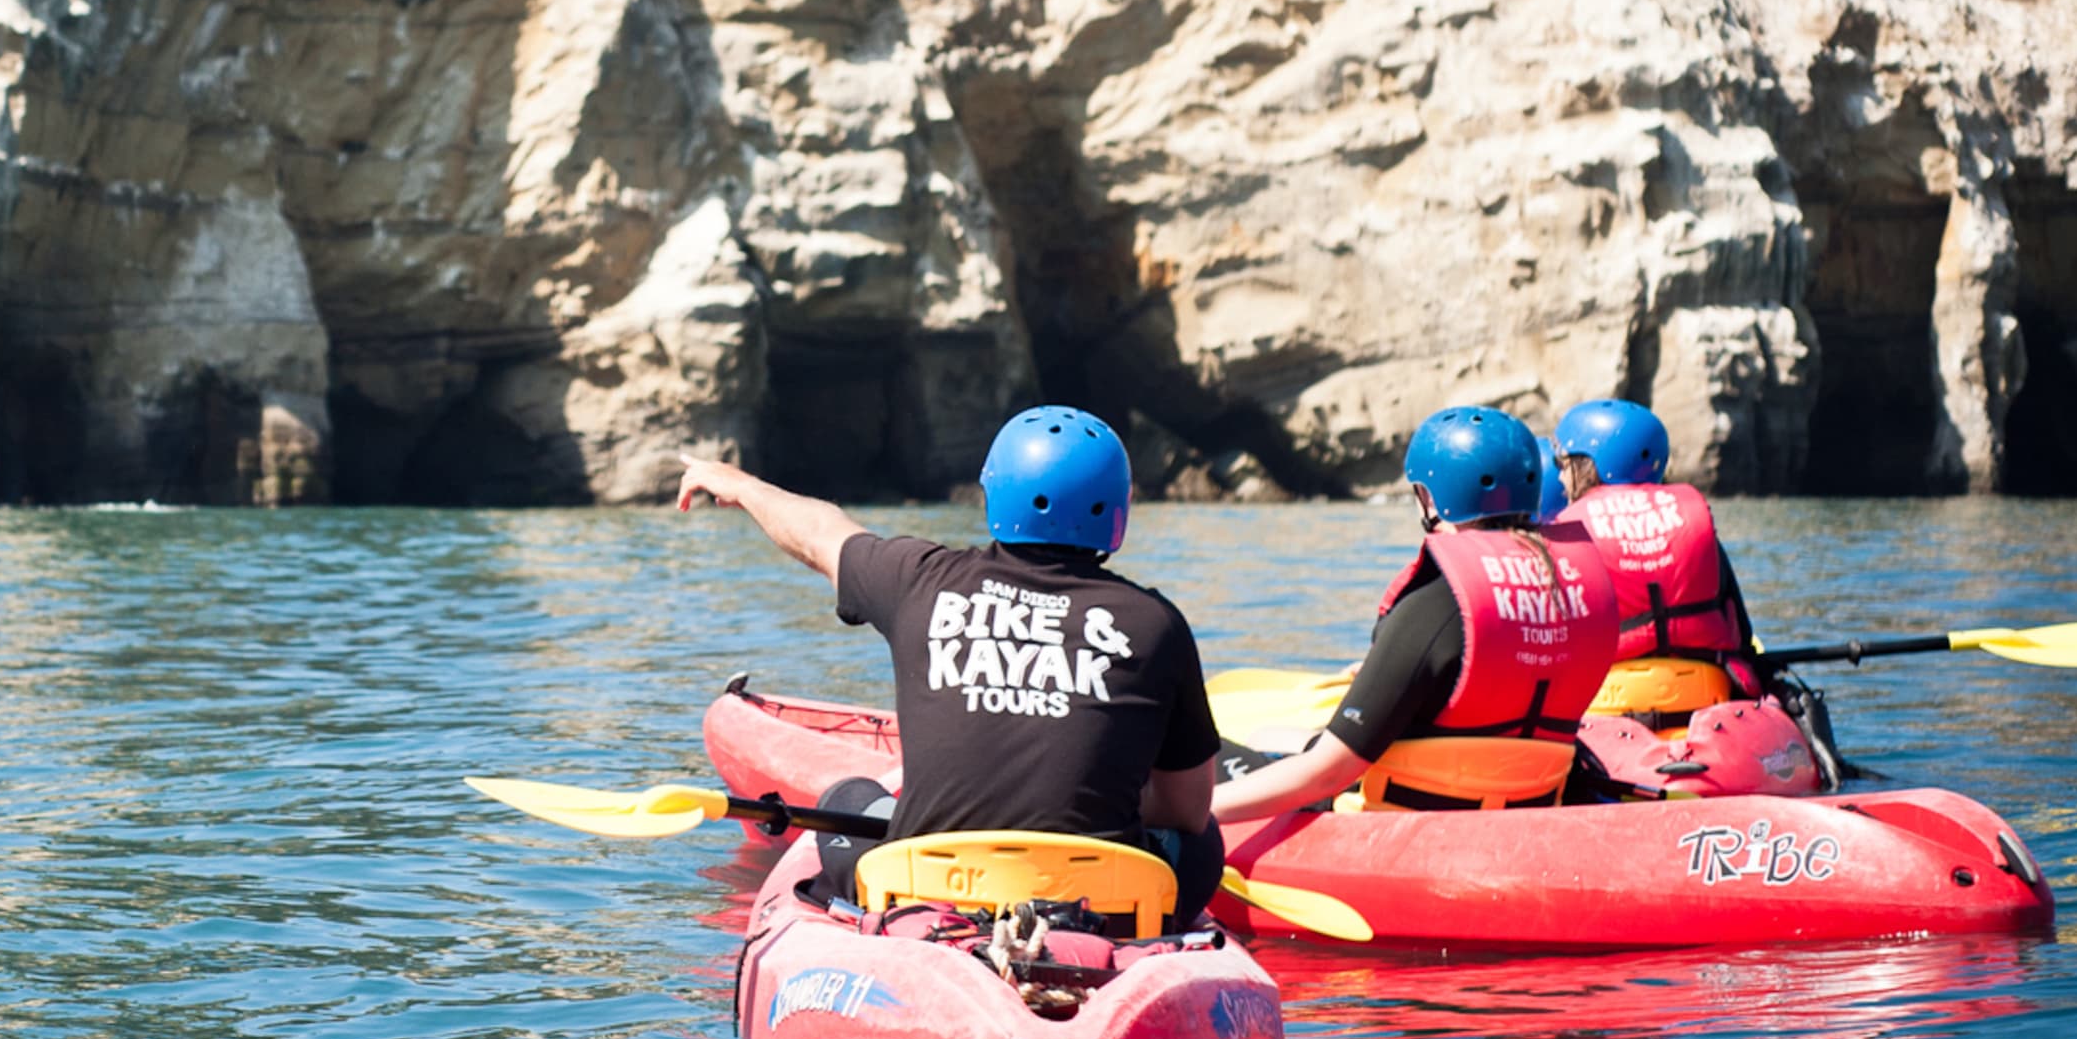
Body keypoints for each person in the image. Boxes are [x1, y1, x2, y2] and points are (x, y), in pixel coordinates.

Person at [679, 406, 1226, 930]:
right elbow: (1186, 810)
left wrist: (743, 486)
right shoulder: (1156, 625)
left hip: (928, 887)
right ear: (1117, 510)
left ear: (993, 493)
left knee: (846, 799)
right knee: (1203, 843)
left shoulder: (917, 580)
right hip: (1099, 904)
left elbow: (821, 531)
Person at [1212, 406, 1618, 822]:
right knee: (1274, 735)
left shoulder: (1438, 606)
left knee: (1220, 751)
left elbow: (1326, 773)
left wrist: (1189, 814)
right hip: (1527, 795)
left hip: (1406, 814)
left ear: (1432, 495)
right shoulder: (1578, 589)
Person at [1551, 400, 1764, 717]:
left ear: (1591, 465)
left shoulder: (1570, 535)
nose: (1559, 479)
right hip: (1708, 693)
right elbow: (1739, 630)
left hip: (1605, 702)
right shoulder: (1689, 522)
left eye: (1563, 466)